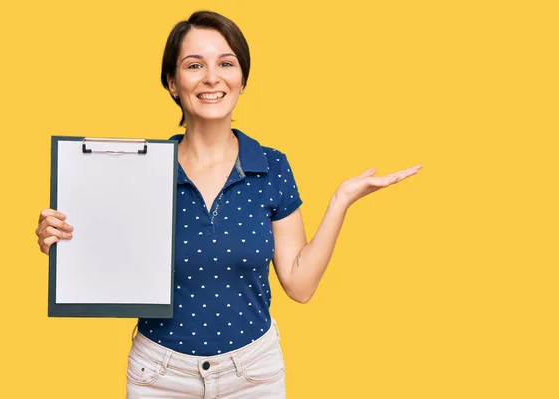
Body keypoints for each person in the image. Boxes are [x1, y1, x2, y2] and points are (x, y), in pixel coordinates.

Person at [35, 10, 422, 398]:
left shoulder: (271, 166)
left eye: (226, 63)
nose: (211, 77)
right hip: (159, 375)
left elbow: (300, 285)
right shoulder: (139, 171)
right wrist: (63, 239)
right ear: (172, 82)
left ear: (242, 79)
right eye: (194, 65)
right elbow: (107, 255)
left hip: (254, 375)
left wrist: (341, 200)